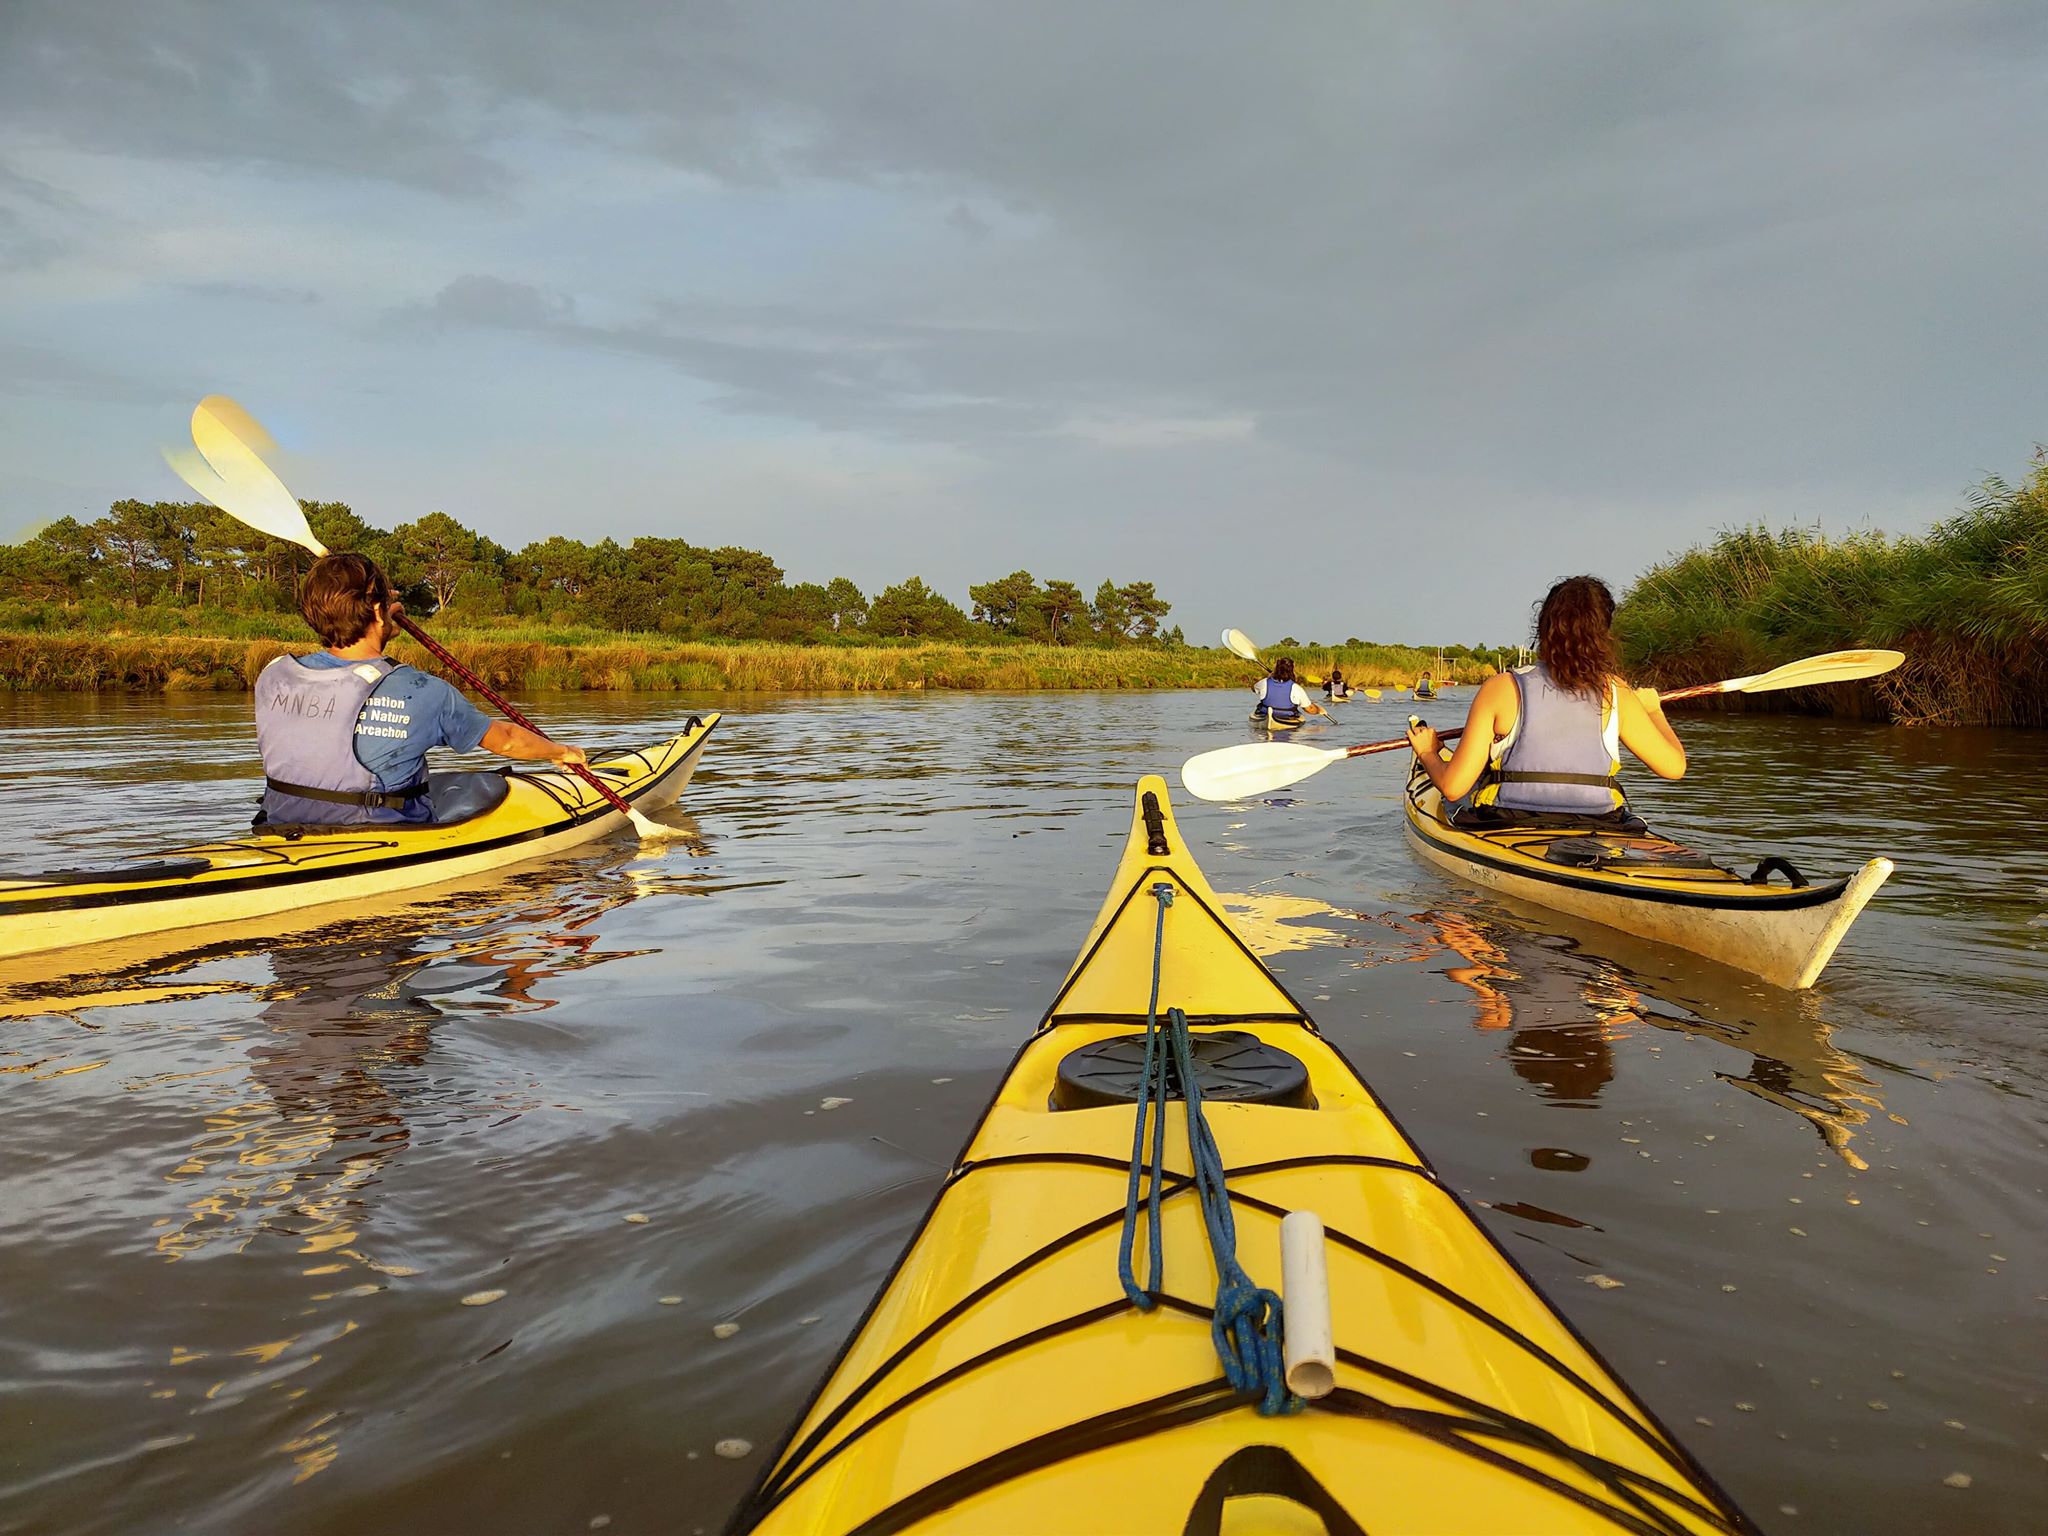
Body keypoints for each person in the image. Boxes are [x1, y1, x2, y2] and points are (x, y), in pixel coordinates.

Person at [254, 553, 586, 826]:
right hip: (378, 830)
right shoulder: (421, 691)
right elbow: (508, 740)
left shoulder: (273, 674)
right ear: (376, 610)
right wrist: (562, 752)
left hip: (282, 823)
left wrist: (380, 617)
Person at [1404, 575, 1684, 818]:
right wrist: (1654, 710)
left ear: (1543, 626)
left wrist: (1428, 752)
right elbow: (1674, 767)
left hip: (1508, 820)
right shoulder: (1618, 693)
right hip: (1598, 824)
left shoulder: (1501, 688)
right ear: (1604, 633)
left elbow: (1453, 788)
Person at [1250, 657, 1328, 726]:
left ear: (1276, 669)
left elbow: (1253, 688)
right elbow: (1309, 709)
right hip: (1287, 718)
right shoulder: (1296, 688)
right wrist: (1319, 710)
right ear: (1291, 671)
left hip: (1265, 714)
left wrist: (1269, 678)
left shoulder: (1264, 682)